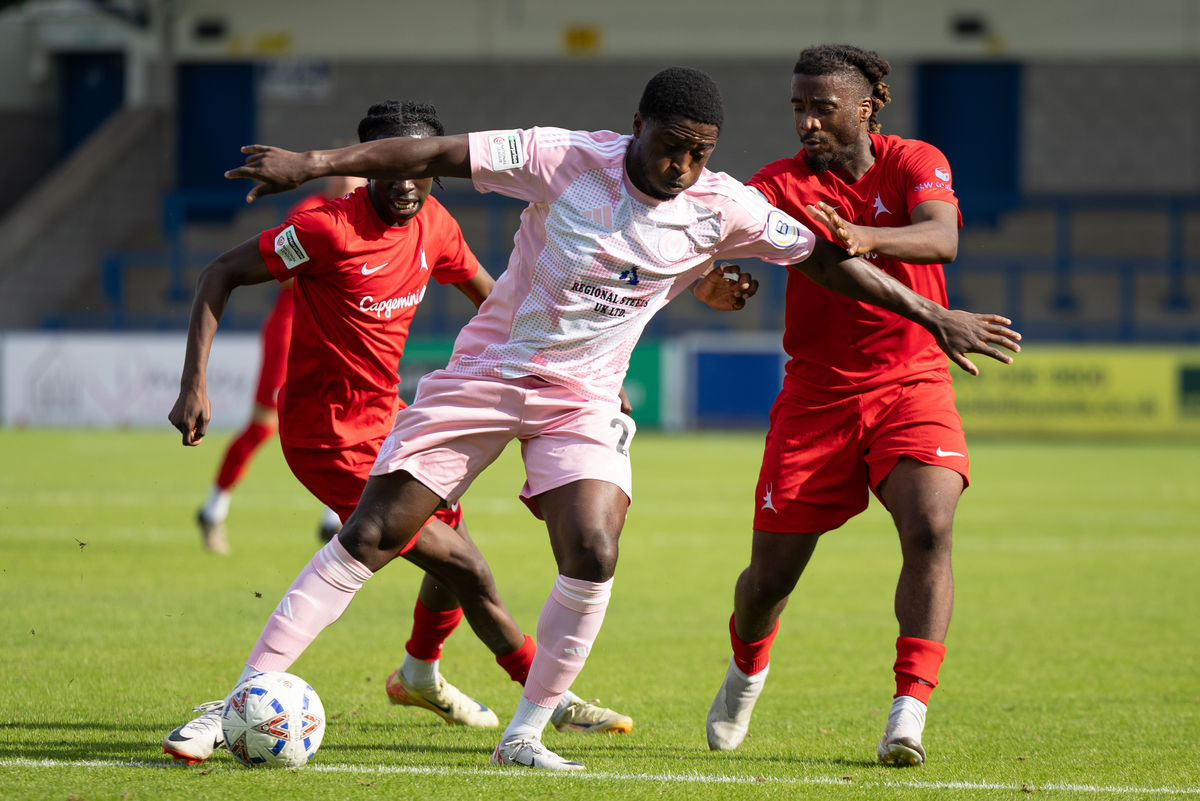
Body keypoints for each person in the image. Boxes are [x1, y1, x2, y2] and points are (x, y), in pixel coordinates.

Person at [187, 66, 1018, 772]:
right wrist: (313, 162)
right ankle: (232, 704)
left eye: (698, 153)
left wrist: (934, 317)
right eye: (668, 147)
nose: (682, 166)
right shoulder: (564, 156)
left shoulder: (724, 204)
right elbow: (434, 151)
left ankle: (525, 732)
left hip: (583, 397)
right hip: (488, 374)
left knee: (593, 546)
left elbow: (830, 262)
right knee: (372, 534)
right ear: (637, 129)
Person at [163, 101, 634, 766]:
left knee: (453, 546)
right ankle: (547, 699)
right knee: (465, 564)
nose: (407, 182)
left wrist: (562, 352)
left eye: (420, 167)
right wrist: (194, 384)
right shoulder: (322, 229)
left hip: (396, 429)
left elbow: (492, 293)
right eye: (393, 168)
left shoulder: (436, 225)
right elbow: (219, 272)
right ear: (370, 170)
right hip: (327, 438)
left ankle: (419, 673)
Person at [705, 44, 1021, 767]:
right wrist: (712, 283)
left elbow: (941, 236)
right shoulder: (778, 185)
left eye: (822, 107)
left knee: (932, 525)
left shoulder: (914, 160)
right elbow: (720, 249)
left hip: (912, 382)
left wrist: (869, 234)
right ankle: (748, 667)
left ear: (870, 103)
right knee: (769, 581)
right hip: (817, 397)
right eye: (798, 107)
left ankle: (907, 711)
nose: (807, 122)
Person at [194, 174, 365, 555]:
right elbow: (282, 274)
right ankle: (212, 509)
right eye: (352, 177)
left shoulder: (365, 216)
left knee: (344, 420)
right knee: (262, 426)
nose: (356, 185)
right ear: (336, 178)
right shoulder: (308, 212)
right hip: (293, 329)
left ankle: (332, 520)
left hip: (338, 333)